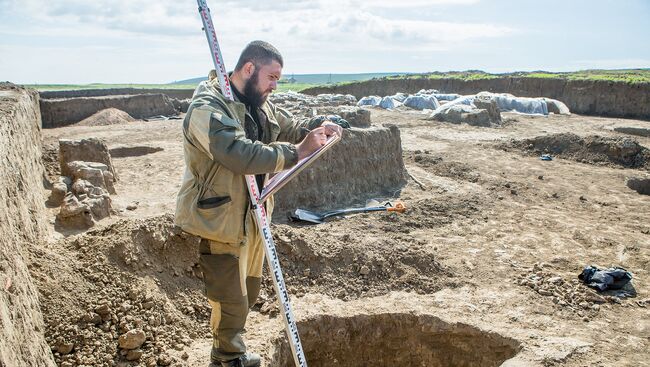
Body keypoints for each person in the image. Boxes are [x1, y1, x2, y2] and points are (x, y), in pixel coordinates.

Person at [175, 40, 343, 367]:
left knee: (249, 292)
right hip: (220, 218)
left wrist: (318, 129)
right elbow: (238, 154)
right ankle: (227, 358)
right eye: (272, 77)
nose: (275, 85)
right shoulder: (208, 107)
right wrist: (296, 152)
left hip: (253, 213)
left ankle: (231, 351)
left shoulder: (258, 102)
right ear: (249, 69)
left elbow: (290, 126)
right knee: (230, 298)